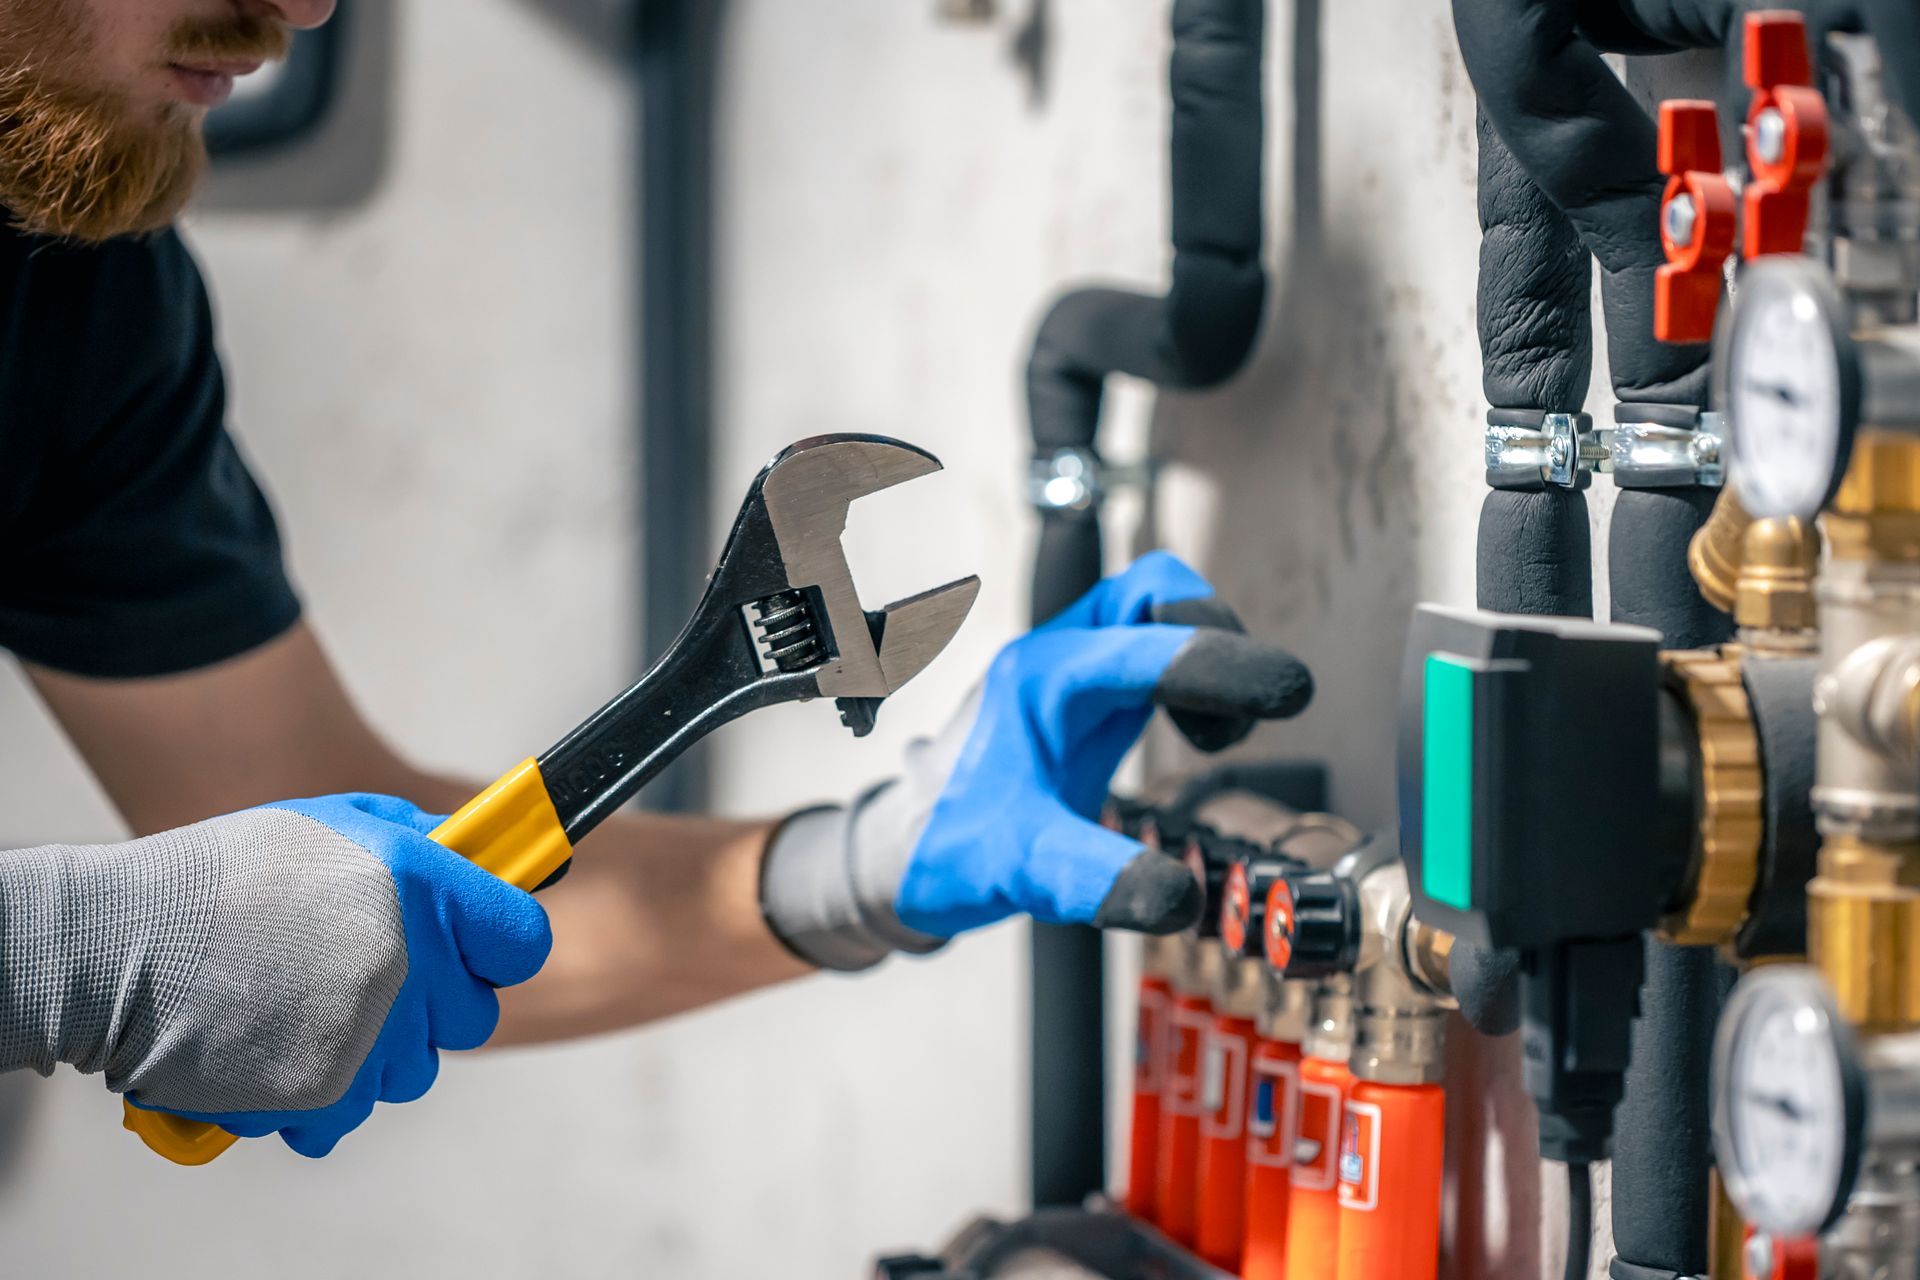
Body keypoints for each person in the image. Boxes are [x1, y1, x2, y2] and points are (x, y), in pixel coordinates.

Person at [0, 0, 1306, 1158]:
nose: (307, 6)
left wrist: (860, 864)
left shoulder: (74, 298)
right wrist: (57, 959)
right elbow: (142, 938)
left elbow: (336, 882)